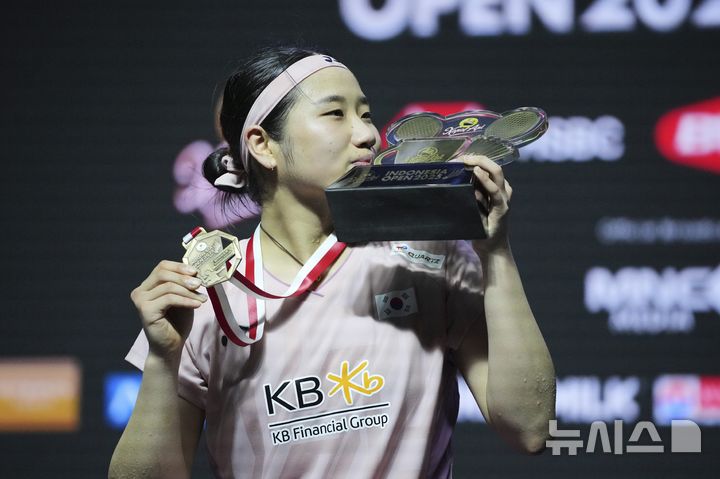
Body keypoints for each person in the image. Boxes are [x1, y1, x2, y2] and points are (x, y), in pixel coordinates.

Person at [108, 46, 556, 479]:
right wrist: (163, 360)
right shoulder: (205, 293)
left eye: (366, 114)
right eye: (335, 114)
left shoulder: (427, 256)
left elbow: (531, 428)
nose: (367, 135)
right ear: (262, 145)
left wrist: (495, 252)